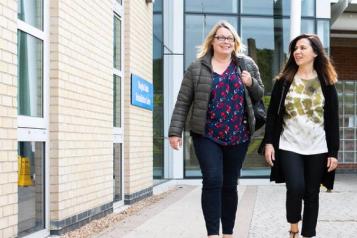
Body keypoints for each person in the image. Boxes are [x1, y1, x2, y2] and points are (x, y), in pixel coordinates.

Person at [168, 21, 264, 238]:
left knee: (230, 184)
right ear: (212, 41)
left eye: (229, 38)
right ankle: (212, 233)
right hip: (207, 134)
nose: (225, 41)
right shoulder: (197, 68)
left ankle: (228, 233)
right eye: (221, 37)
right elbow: (183, 102)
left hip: (238, 135)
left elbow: (259, 95)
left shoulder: (246, 65)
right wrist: (174, 132)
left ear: (235, 42)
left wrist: (250, 84)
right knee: (212, 180)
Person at [260, 34, 339, 238]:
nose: (297, 51)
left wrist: (333, 152)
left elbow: (332, 120)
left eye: (303, 47)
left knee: (312, 193)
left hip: (317, 146)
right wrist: (269, 143)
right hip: (289, 145)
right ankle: (293, 224)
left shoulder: (326, 83)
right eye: (295, 48)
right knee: (295, 187)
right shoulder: (285, 81)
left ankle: (307, 234)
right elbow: (272, 115)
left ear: (315, 52)